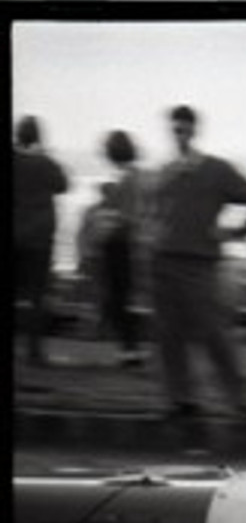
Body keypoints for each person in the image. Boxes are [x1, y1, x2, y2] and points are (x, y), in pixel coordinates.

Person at [151, 104, 246, 422]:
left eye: (185, 128)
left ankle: (240, 399)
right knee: (169, 335)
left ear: (195, 130)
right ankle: (181, 401)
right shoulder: (165, 172)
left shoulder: (217, 170)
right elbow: (151, 212)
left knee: (214, 332)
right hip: (162, 261)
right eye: (175, 129)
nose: (180, 135)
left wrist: (234, 232)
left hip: (199, 264)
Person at [13, 115, 70, 367]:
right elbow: (63, 185)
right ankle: (34, 352)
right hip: (39, 238)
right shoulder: (45, 163)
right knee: (36, 295)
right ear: (38, 137)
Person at [94, 130, 148, 367]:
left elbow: (127, 215)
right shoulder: (131, 175)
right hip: (125, 241)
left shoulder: (128, 178)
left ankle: (129, 350)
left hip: (121, 242)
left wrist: (106, 220)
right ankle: (129, 349)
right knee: (121, 297)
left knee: (118, 298)